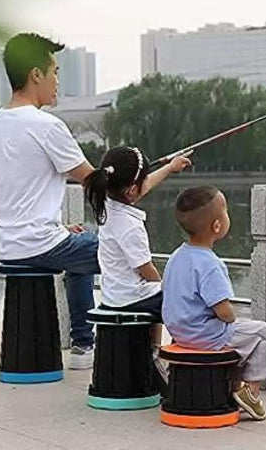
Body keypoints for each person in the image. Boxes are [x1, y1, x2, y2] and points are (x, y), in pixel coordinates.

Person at [0, 33, 99, 370]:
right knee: (127, 252)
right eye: (55, 72)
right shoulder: (46, 125)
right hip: (38, 245)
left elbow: (19, 191)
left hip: (8, 244)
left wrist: (59, 228)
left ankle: (84, 345)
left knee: (79, 245)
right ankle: (120, 347)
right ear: (36, 74)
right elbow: (95, 183)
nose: (57, 81)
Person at [162, 186, 266, 420]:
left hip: (178, 331)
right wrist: (232, 317)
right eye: (226, 211)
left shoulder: (176, 256)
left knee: (239, 336)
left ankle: (232, 384)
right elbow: (223, 311)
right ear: (217, 226)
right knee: (261, 333)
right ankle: (252, 392)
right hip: (205, 335)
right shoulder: (210, 264)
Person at [83, 146, 191, 384]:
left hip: (115, 294)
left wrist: (170, 168)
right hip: (131, 298)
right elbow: (145, 270)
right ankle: (170, 355)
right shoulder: (130, 226)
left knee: (164, 295)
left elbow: (143, 185)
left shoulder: (107, 205)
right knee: (184, 301)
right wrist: (166, 287)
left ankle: (155, 349)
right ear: (132, 189)